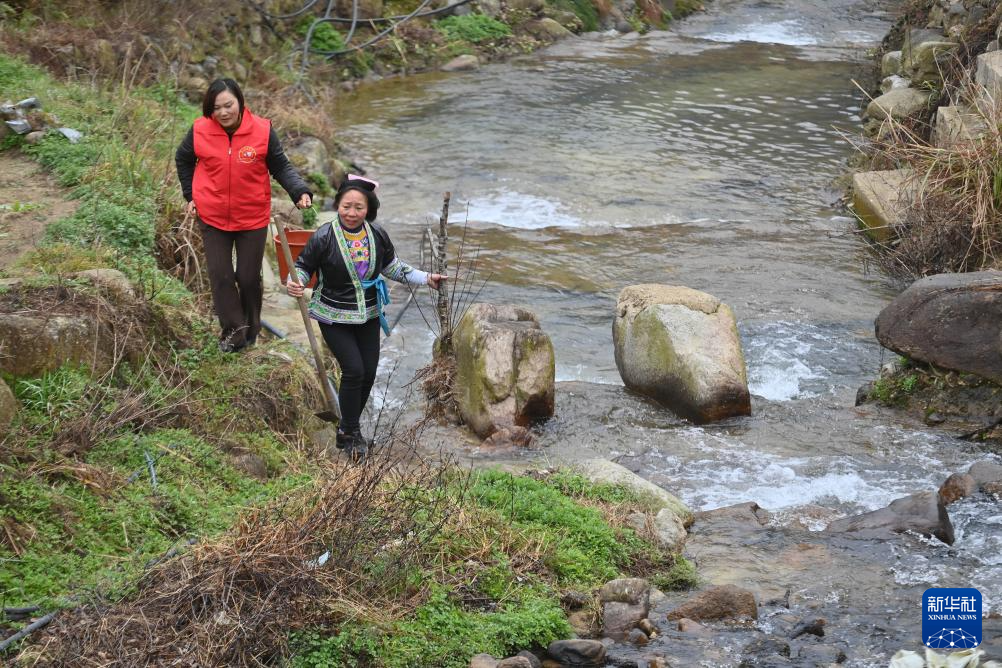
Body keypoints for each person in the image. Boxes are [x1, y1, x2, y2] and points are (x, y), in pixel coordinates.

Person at [286, 176, 446, 457]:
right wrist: (295, 280)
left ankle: (347, 428)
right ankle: (350, 433)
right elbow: (302, 266)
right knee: (354, 370)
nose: (351, 213)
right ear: (337, 205)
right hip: (333, 314)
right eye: (346, 206)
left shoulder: (377, 235)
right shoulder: (324, 236)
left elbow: (392, 267)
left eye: (358, 207)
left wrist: (425, 278)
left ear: (369, 209)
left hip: (368, 313)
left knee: (369, 372)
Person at [175, 78, 313, 352]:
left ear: (240, 101)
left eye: (228, 105)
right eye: (216, 108)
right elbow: (183, 159)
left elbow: (280, 166)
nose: (223, 112)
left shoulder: (262, 130)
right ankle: (234, 333)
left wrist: (299, 191)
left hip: (252, 216)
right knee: (221, 275)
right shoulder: (200, 130)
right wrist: (190, 195)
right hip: (212, 215)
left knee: (248, 278)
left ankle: (251, 328)